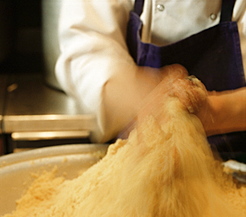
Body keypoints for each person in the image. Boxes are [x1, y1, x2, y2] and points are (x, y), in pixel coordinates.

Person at [55, 0, 246, 160]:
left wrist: (215, 111)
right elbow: (88, 44)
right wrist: (133, 94)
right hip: (133, 158)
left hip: (236, 163)